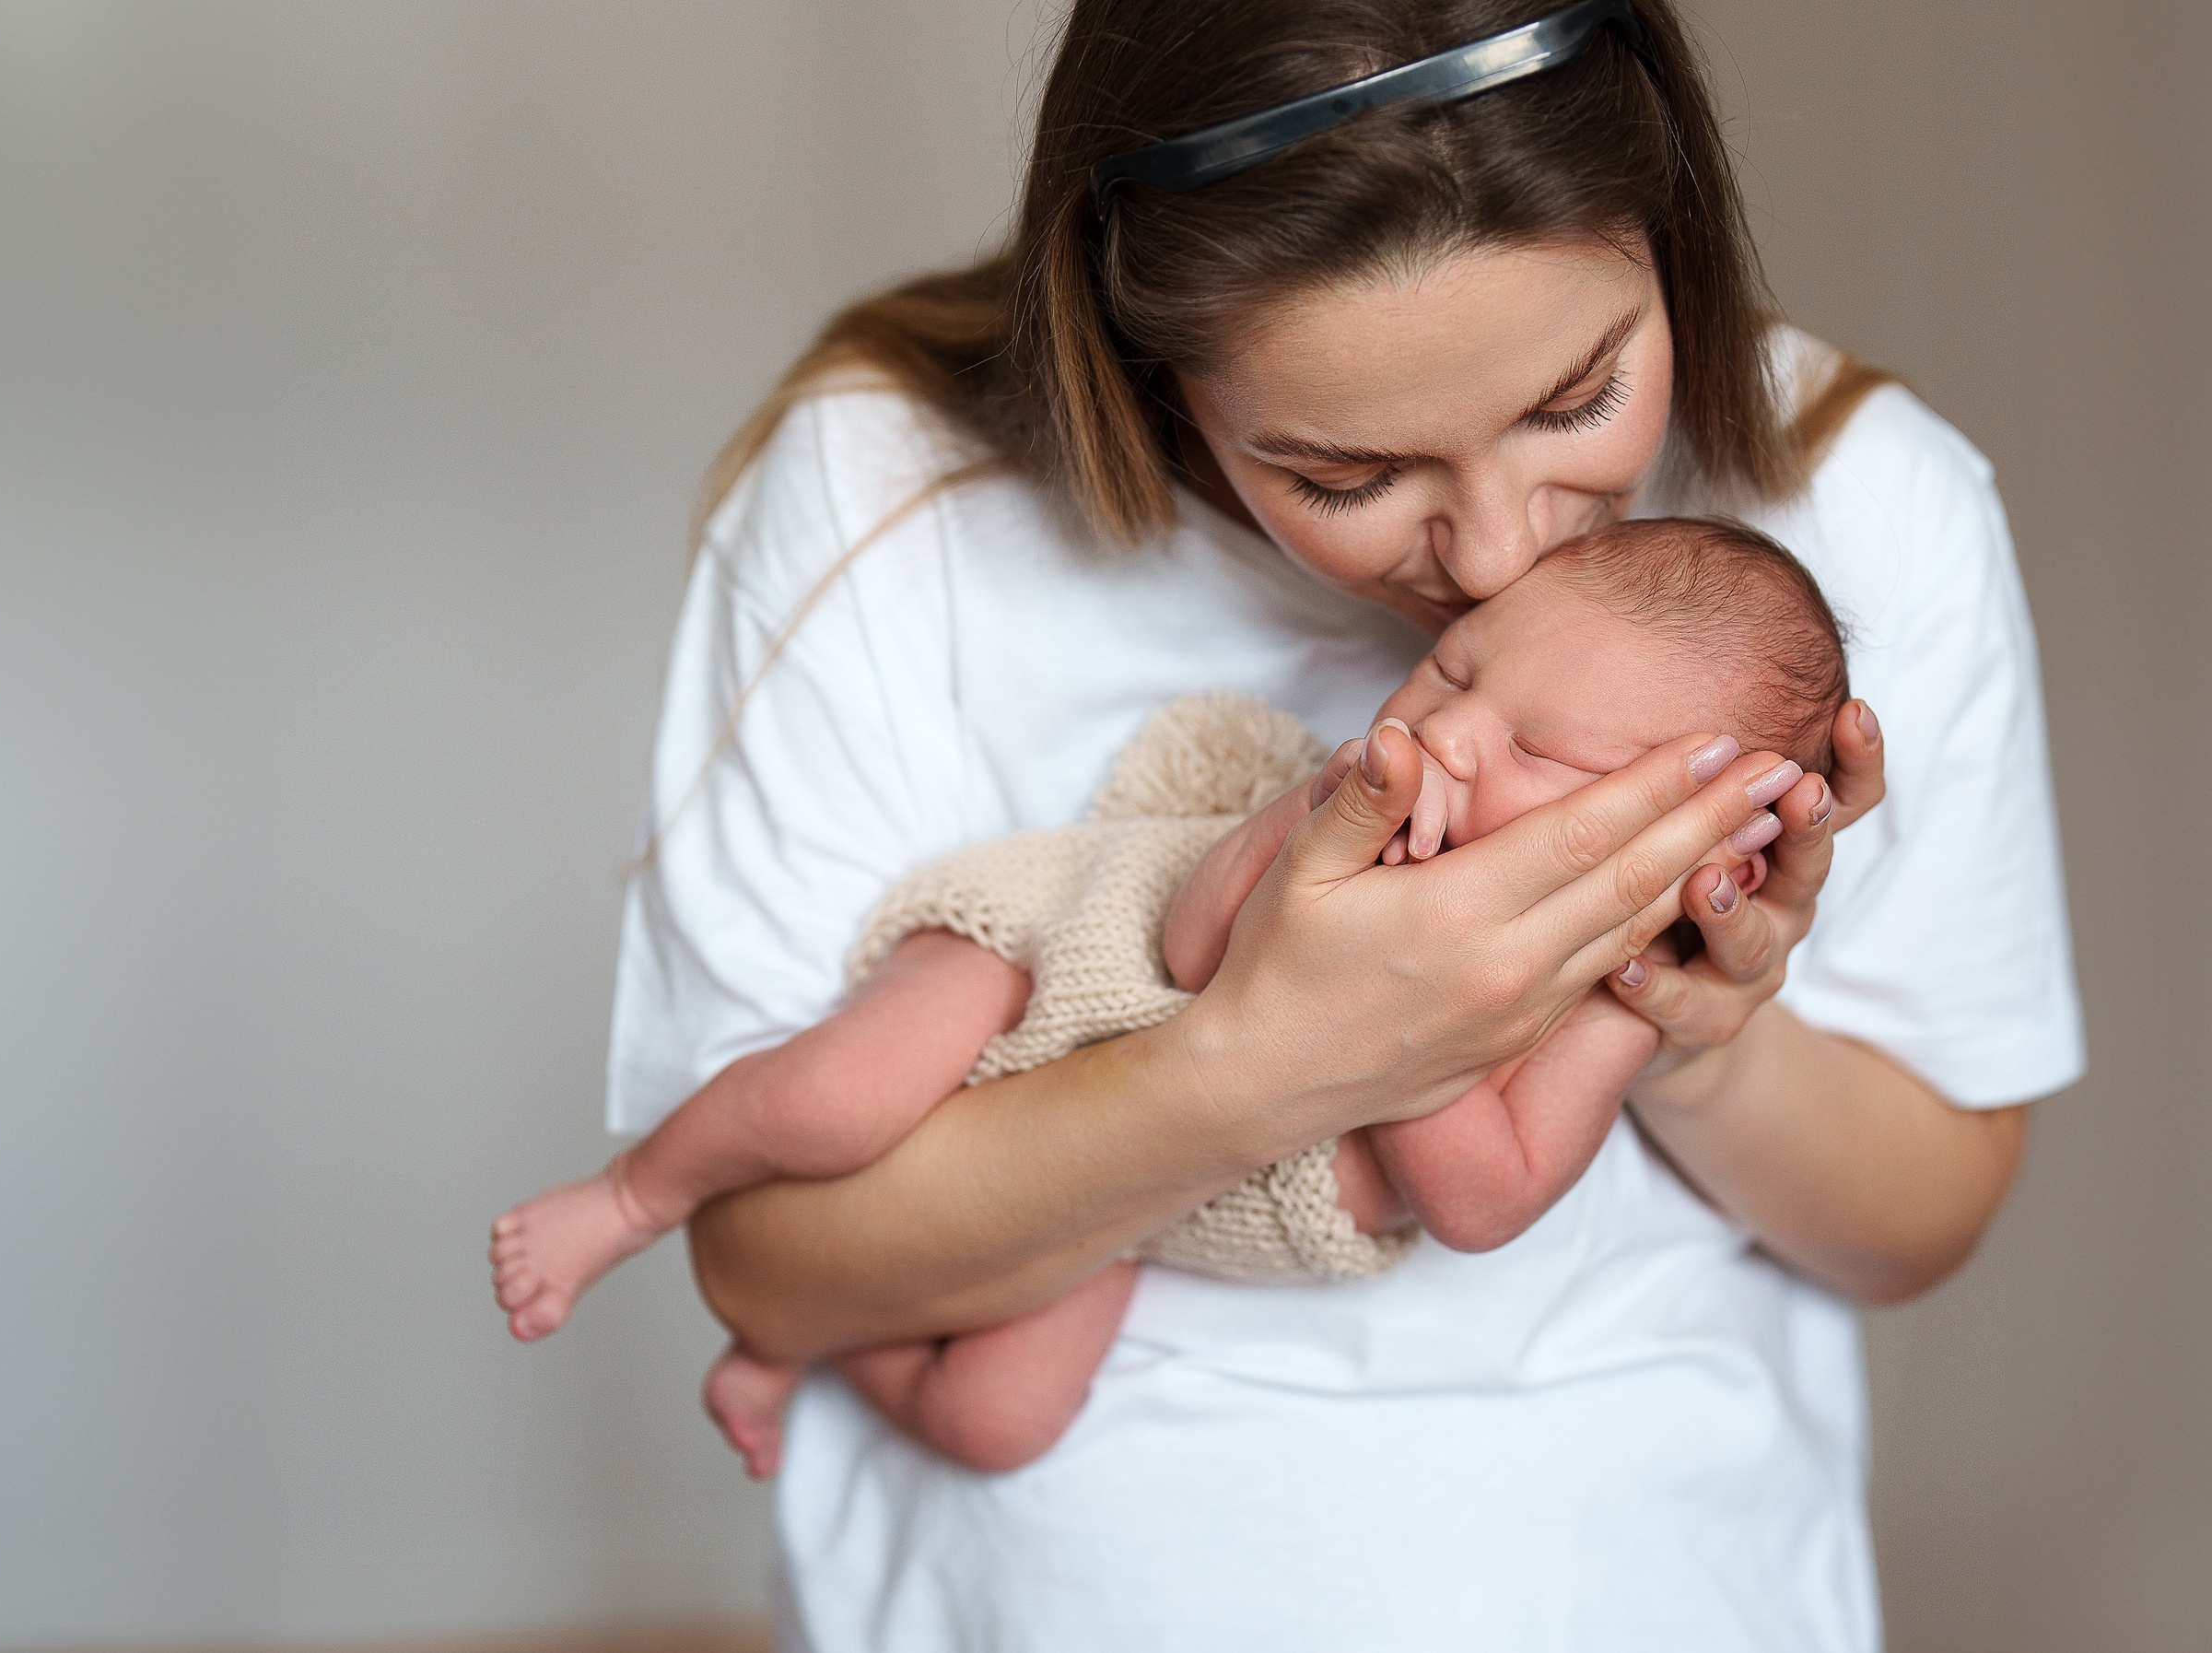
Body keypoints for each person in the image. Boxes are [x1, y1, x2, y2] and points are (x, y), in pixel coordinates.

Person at [606, 1, 2083, 1646]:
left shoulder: (1861, 508)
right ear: (1141, 350)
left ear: (1670, 228)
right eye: (1347, 475)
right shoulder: (888, 496)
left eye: (1581, 397)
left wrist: (1699, 1033)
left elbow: (1921, 1218)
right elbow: (768, 1266)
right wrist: (1259, 1059)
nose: (1505, 555)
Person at [494, 517, 1840, 1484]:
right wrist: (1336, 847)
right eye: (1458, 669)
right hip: (1052, 957)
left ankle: (800, 1355)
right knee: (836, 1103)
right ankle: (631, 1196)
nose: (1455, 730)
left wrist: (1513, 1024)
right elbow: (1197, 947)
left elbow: (1484, 1200)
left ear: (1692, 855)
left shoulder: (1608, 999)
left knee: (1000, 1419)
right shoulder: (1351, 809)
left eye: (1542, 750)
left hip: (1133, 1191)